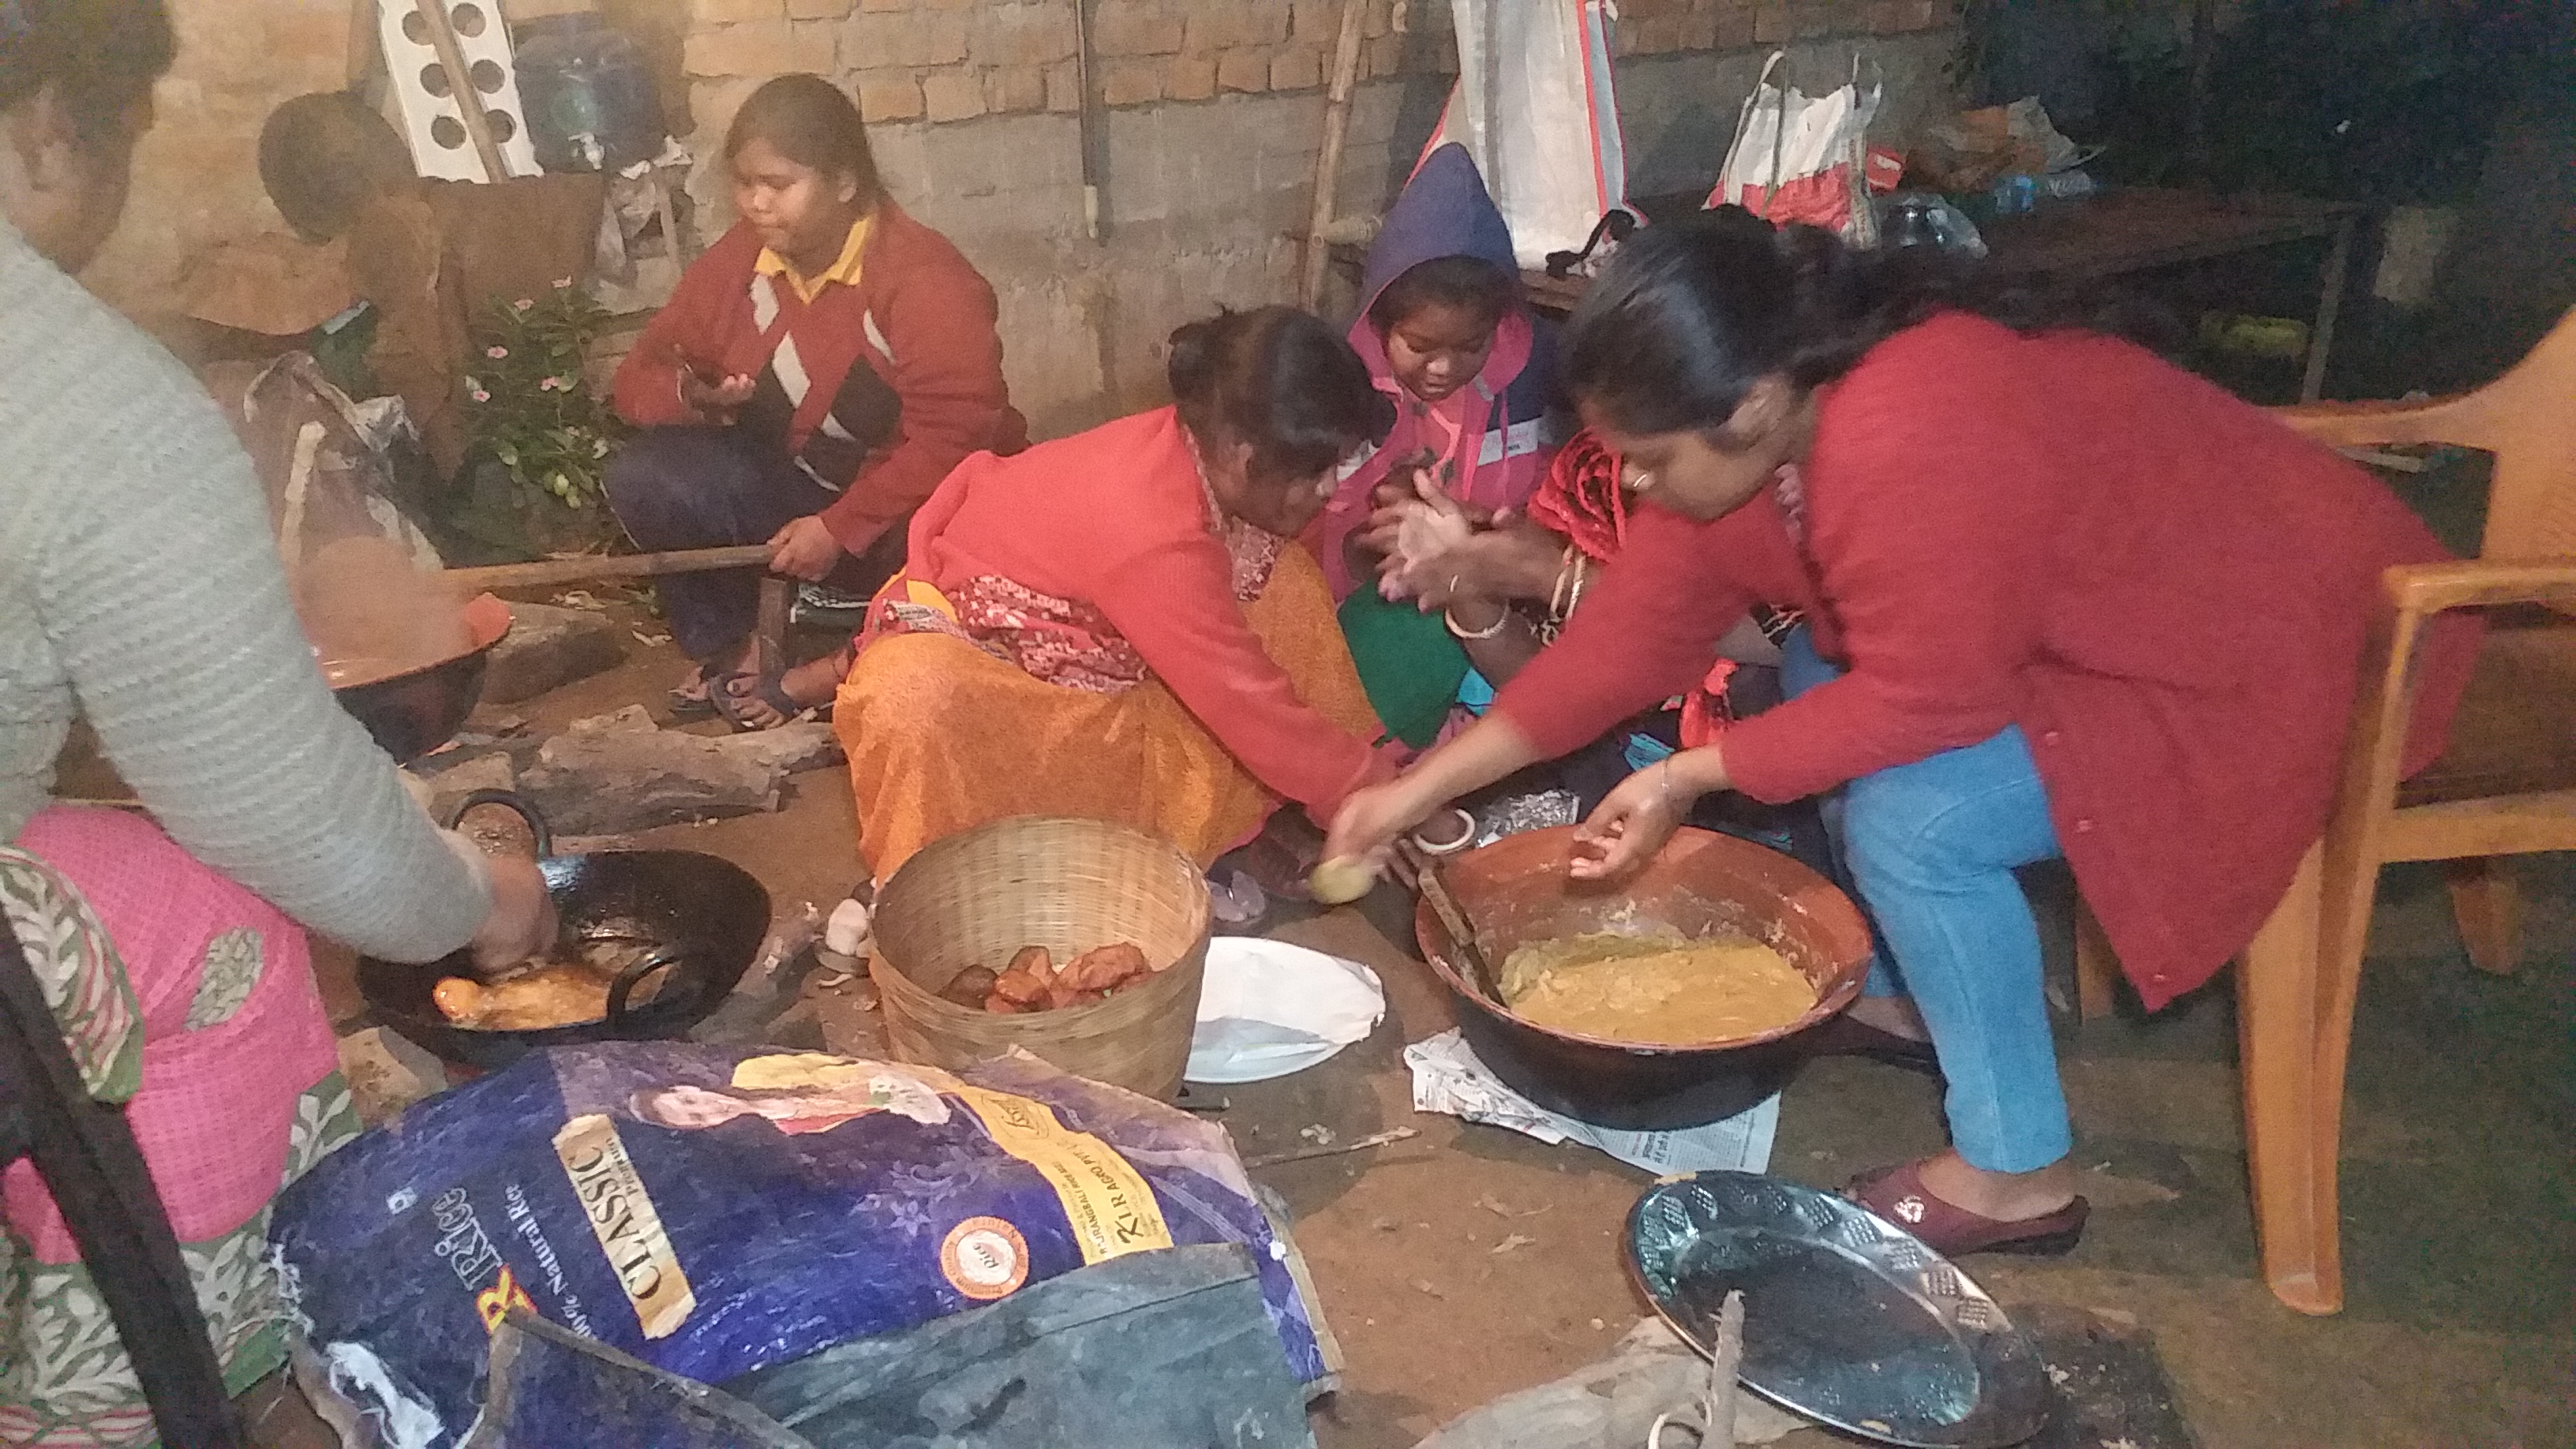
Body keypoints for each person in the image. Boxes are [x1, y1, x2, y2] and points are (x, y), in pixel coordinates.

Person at [1325, 208, 2476, 1256]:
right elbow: (1620, 649)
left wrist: (1691, 773)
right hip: (2142, 625)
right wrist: (1413, 797)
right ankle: (1933, 989)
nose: (1631, 482)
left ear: (1754, 405)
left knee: (1915, 822)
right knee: (1829, 669)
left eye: (1650, 457)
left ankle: (2018, 1173)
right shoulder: (1766, 435)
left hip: (2295, 657)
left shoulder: (1911, 424)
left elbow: (1936, 700)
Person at [0, 4, 554, 1440]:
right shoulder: (74, 393)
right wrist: (478, 898)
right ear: (54, 124)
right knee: (222, 923)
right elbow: (277, 813)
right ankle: (120, 1393)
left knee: (88, 842)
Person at [834, 305, 1398, 884]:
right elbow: (1249, 704)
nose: (1331, 489)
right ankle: (968, 889)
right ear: (1240, 454)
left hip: (1096, 619)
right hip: (989, 657)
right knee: (916, 701)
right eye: (1315, 470)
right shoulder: (1153, 530)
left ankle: (1287, 817)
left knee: (1287, 586)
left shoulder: (1190, 443)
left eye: (1338, 464)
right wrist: (1382, 794)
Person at [607, 73, 1024, 729]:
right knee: (646, 473)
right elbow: (635, 379)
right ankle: (734, 643)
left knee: (961, 560)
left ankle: (834, 648)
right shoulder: (739, 265)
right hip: (800, 492)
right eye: (745, 184)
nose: (756, 204)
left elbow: (958, 435)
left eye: (780, 184)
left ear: (845, 183)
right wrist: (696, 397)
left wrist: (841, 526)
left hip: (914, 511)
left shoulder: (924, 280)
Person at [1309, 143, 1559, 747]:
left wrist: (1474, 530)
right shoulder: (1342, 393)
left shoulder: (1531, 383)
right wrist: (1372, 539)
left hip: (1494, 609)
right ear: (1380, 323)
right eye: (1419, 345)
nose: (1443, 367)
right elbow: (1313, 537)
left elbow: (1558, 525)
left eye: (1470, 346)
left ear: (1498, 331)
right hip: (1366, 610)